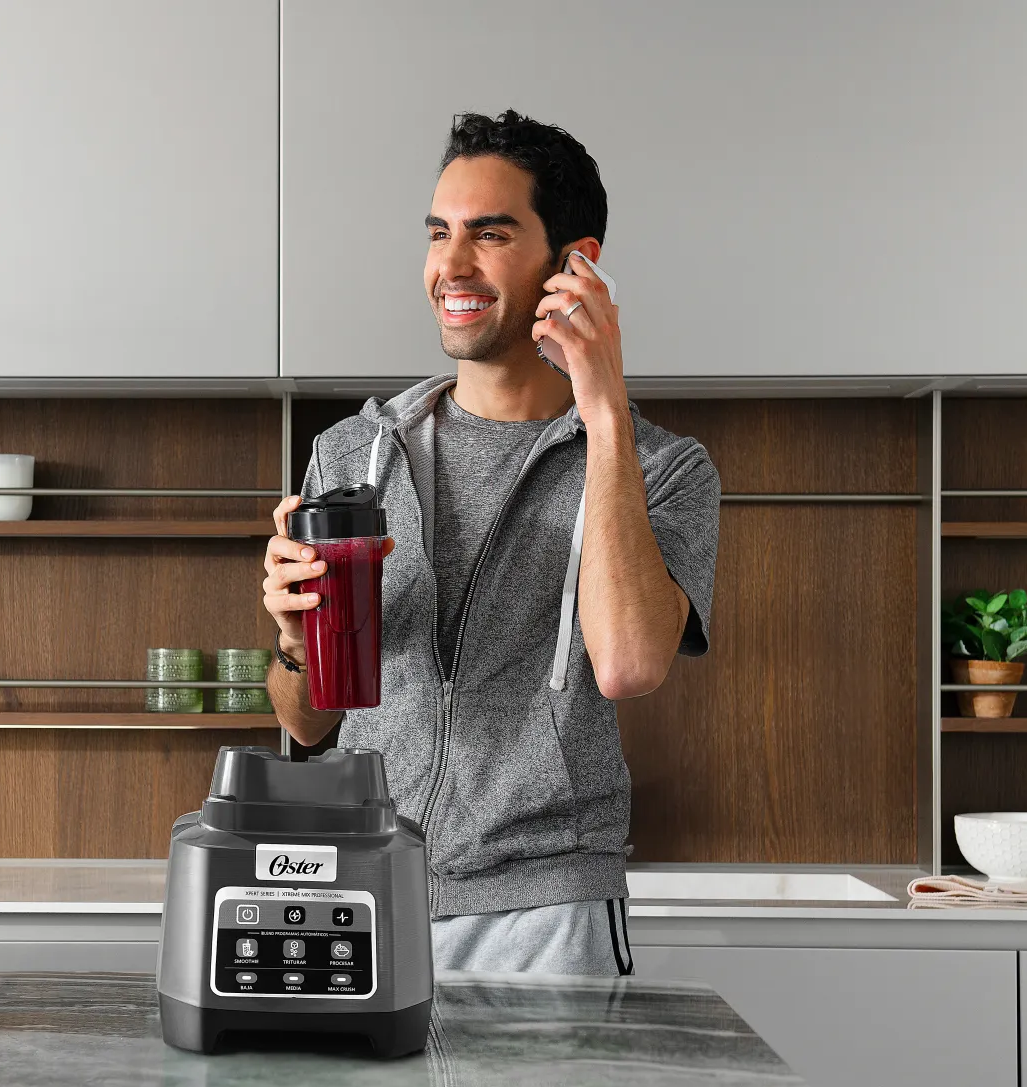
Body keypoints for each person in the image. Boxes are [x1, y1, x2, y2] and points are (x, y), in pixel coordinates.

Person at [262, 110, 721, 976]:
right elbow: (309, 722)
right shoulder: (352, 452)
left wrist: (605, 411)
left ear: (573, 263)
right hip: (365, 896)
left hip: (545, 916)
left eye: (490, 234)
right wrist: (294, 644)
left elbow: (627, 665)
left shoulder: (663, 468)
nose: (451, 266)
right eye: (439, 233)